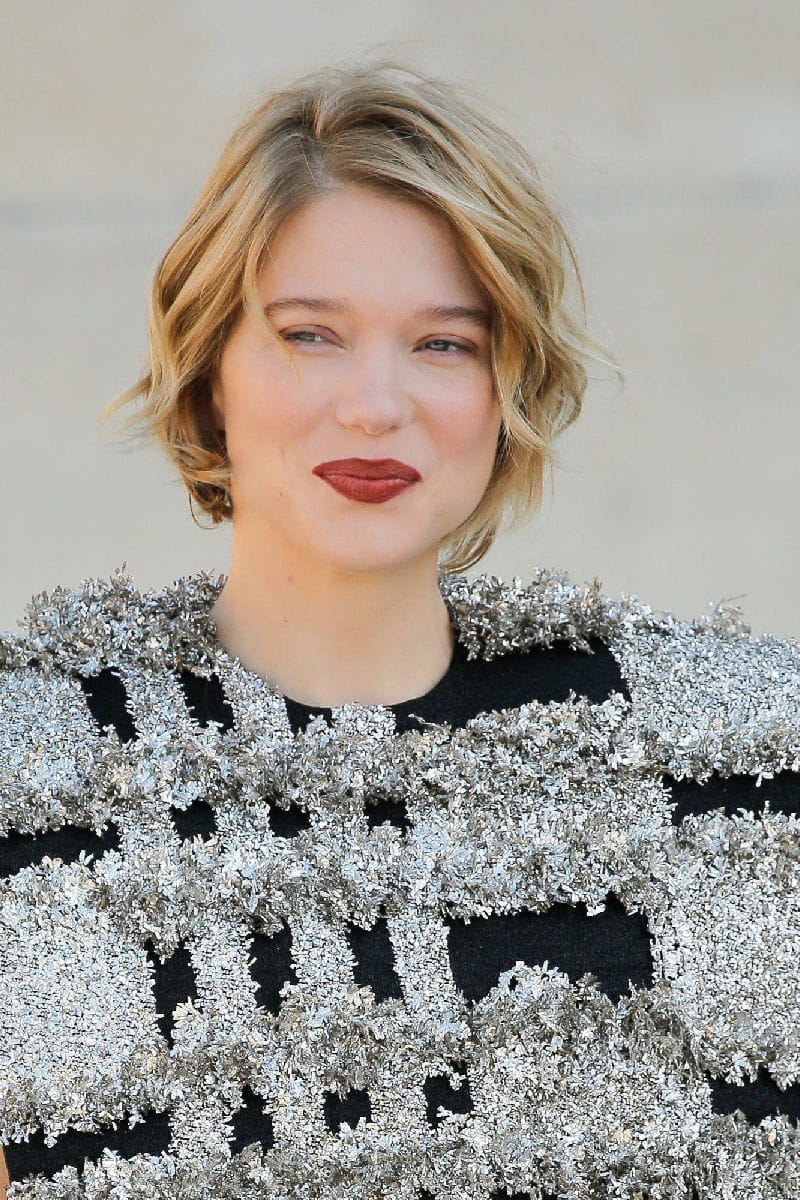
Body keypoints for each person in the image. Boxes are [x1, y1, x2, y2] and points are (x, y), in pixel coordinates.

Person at [1, 60, 798, 1200]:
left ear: (506, 388)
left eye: (442, 344)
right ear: (211, 367)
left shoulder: (733, 752)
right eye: (309, 335)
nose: (376, 405)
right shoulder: (37, 767)